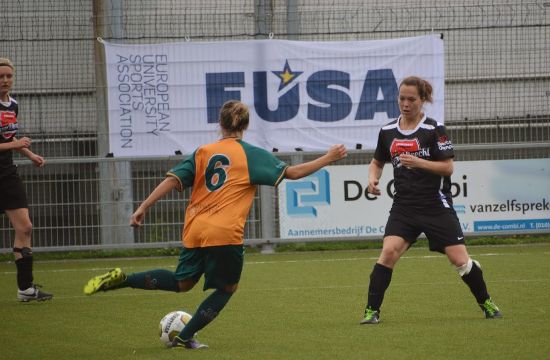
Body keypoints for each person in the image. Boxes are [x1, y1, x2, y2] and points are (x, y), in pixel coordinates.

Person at [83, 100, 347, 349]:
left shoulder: (203, 152)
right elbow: (293, 173)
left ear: (220, 124)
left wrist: (143, 207)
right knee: (227, 288)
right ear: (245, 126)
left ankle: (124, 279)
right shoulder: (250, 154)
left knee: (182, 282)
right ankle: (186, 338)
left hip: (195, 229)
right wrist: (329, 156)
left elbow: (173, 180)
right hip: (225, 232)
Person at [359, 76, 501, 325]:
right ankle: (371, 312)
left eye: (411, 99)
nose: (405, 103)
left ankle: (486, 302)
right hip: (404, 206)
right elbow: (377, 161)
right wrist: (373, 179)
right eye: (401, 98)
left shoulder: (434, 129)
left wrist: (419, 162)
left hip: (436, 206)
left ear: (422, 100)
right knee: (388, 252)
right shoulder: (387, 131)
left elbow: (447, 168)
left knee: (460, 261)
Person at [0, 58, 53, 302]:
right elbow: (12, 141)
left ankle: (26, 289)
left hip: (7, 173)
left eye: (8, 76)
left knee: (25, 227)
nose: (5, 80)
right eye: (1, 76)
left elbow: (13, 138)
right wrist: (16, 144)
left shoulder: (13, 105)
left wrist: (30, 154)